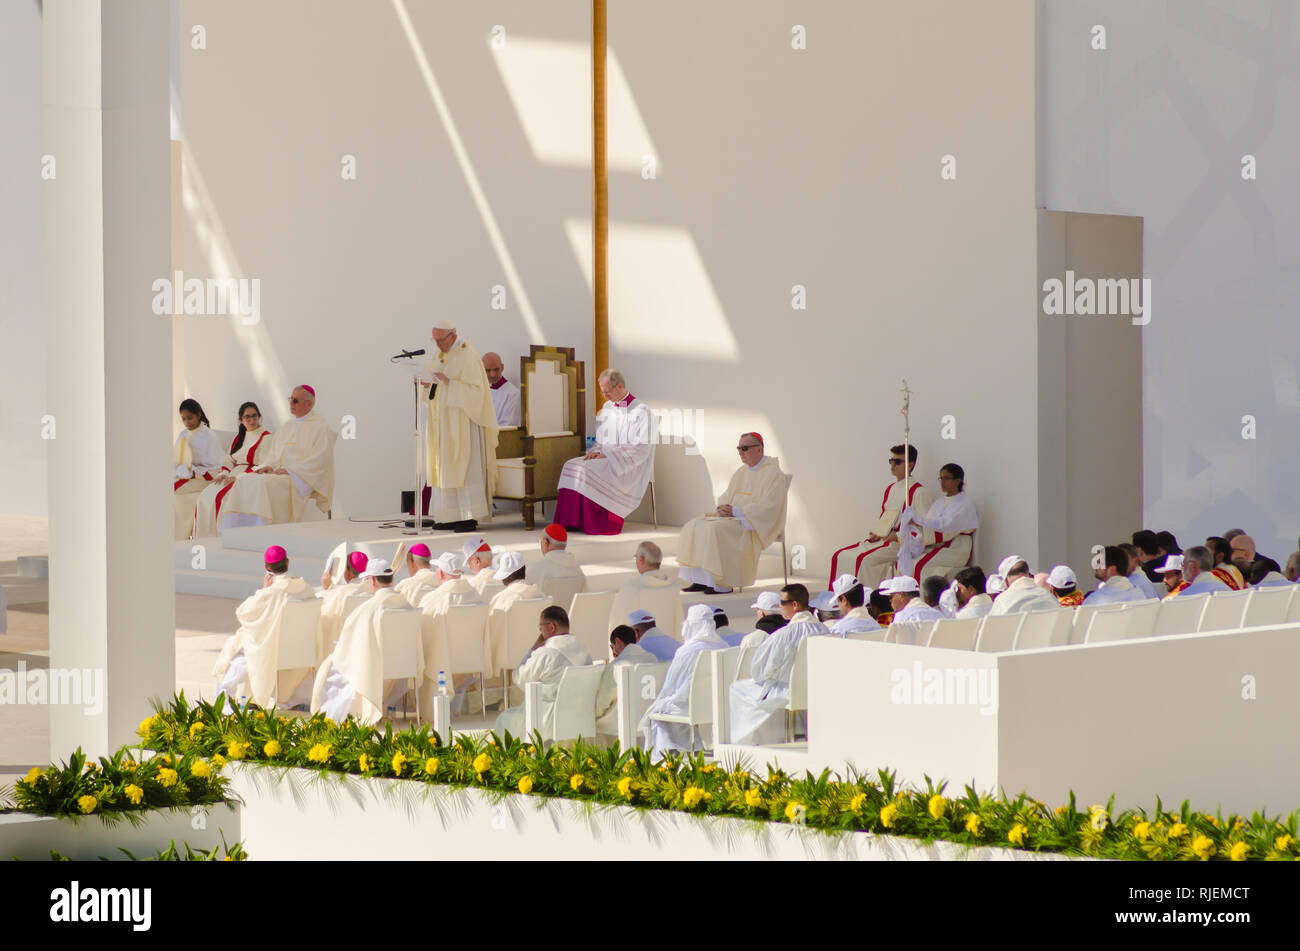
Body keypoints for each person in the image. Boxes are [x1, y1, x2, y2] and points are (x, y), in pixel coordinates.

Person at [409, 321, 499, 533]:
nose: (438, 345)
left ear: (452, 336)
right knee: (444, 467)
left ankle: (468, 517)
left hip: (462, 424)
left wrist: (449, 382)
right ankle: (449, 516)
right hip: (442, 424)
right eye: (435, 340)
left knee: (463, 466)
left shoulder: (468, 356)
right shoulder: (440, 356)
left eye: (441, 340)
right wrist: (427, 385)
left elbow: (477, 393)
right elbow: (435, 387)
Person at [310, 559, 420, 724]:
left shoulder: (369, 609)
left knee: (329, 666)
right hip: (404, 666)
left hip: (373, 666)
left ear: (373, 580)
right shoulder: (408, 606)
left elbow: (349, 646)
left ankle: (331, 718)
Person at [213, 385, 335, 533]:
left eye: (295, 401)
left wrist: (290, 471)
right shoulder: (288, 426)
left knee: (262, 483)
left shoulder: (321, 427)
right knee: (244, 479)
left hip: (300, 478)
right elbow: (274, 454)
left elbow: (320, 461)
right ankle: (237, 532)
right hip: (279, 473)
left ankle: (261, 531)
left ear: (309, 403)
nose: (291, 404)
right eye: (290, 399)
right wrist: (268, 466)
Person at [677, 433, 789, 594]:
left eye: (745, 448)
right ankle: (701, 580)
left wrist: (737, 511)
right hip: (732, 518)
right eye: (739, 449)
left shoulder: (774, 474)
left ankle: (723, 584)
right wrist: (722, 508)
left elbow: (770, 507)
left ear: (759, 449)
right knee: (694, 525)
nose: (741, 453)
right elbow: (726, 495)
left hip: (751, 523)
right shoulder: (742, 472)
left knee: (716, 530)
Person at [212, 545, 317, 709]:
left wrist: (264, 590)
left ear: (267, 568)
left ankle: (228, 702)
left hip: (272, 650)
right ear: (288, 563)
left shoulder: (270, 593)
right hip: (300, 648)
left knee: (235, 646)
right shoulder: (305, 587)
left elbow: (243, 613)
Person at [552, 369, 654, 535]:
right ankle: (571, 521)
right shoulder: (607, 408)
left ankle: (597, 523)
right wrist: (596, 451)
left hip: (625, 463)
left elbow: (641, 448)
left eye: (607, 392)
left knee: (586, 469)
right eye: (602, 392)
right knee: (571, 465)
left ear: (619, 386)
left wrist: (608, 455)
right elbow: (602, 439)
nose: (604, 396)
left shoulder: (641, 411)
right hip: (605, 456)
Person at [828, 445, 935, 589]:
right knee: (841, 555)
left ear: (910, 464)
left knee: (865, 561)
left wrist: (897, 536)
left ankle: (866, 602)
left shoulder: (920, 492)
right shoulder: (891, 489)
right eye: (891, 460)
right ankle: (841, 604)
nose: (892, 465)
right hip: (884, 540)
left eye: (898, 462)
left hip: (902, 544)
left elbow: (925, 530)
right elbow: (884, 519)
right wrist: (877, 532)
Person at [728, 605, 828, 747]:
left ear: (793, 605)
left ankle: (743, 742)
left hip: (786, 691)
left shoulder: (782, 635)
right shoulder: (825, 631)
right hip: (814, 688)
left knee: (737, 688)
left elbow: (759, 672)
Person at [641, 605, 729, 757]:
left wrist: (660, 702)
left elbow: (670, 687)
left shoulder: (687, 651)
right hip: (717, 707)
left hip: (688, 708)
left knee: (653, 716)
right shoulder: (724, 646)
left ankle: (662, 761)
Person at [494, 605, 592, 737]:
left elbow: (519, 679)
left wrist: (533, 649)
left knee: (504, 719)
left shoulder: (546, 653)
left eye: (540, 627)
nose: (540, 631)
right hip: (580, 717)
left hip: (547, 719)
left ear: (551, 627)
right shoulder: (584, 651)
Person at [192, 402, 274, 538]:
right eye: (247, 417)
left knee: (223, 500)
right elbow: (229, 459)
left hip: (248, 477)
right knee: (205, 497)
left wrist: (238, 477)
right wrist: (224, 473)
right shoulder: (239, 437)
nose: (252, 420)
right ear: (241, 420)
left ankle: (219, 539)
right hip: (232, 473)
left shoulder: (266, 437)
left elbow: (264, 463)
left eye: (254, 416)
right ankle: (203, 539)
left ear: (259, 416)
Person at [416, 552, 484, 712]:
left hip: (442, 662)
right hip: (472, 659)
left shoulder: (433, 599)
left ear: (439, 573)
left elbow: (423, 633)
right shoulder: (476, 596)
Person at [898, 463, 978, 583]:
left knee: (919, 566)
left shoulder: (964, 504)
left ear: (958, 480)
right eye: (941, 478)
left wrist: (918, 521)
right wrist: (915, 525)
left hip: (956, 547)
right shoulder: (939, 502)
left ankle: (925, 600)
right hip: (937, 545)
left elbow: (946, 527)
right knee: (907, 562)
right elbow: (930, 523)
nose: (942, 482)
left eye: (946, 478)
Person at [483, 551, 547, 694]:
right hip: (538, 654)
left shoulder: (502, 599)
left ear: (508, 576)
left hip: (509, 658)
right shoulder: (541, 596)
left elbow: (492, 634)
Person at [173, 399, 225, 539]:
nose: (187, 422)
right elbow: (177, 459)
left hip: (207, 476)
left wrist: (194, 470)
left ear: (198, 414)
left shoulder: (207, 434)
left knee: (175, 490)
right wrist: (183, 468)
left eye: (190, 418)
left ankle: (179, 536)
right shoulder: (183, 434)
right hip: (190, 474)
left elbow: (215, 462)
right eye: (183, 419)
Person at [608, 541, 683, 637]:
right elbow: (679, 626)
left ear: (641, 560)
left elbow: (618, 624)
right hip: (667, 650)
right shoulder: (673, 588)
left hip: (638, 651)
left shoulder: (631, 588)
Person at [594, 625, 657, 738]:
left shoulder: (616, 666)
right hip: (648, 722)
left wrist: (593, 714)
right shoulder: (652, 659)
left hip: (618, 726)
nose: (613, 653)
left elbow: (603, 702)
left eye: (612, 647)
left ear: (617, 642)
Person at [316, 550, 370, 661]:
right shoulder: (372, 590)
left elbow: (325, 614)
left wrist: (327, 589)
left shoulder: (339, 592)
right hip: (366, 644)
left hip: (342, 646)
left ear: (346, 571)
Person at [525, 524, 588, 604]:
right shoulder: (577, 570)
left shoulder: (535, 570)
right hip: (569, 616)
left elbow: (528, 602)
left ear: (545, 542)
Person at [988, 556, 1060, 615]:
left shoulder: (1002, 601)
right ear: (1029, 574)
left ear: (1006, 580)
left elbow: (991, 629)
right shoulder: (1049, 597)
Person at [482, 351, 521, 428]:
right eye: (488, 370)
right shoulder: (480, 390)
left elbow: (508, 425)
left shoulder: (513, 394)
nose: (492, 374)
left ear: (502, 367)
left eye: (496, 369)